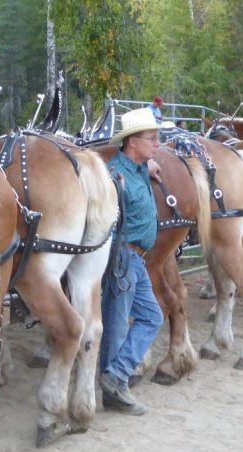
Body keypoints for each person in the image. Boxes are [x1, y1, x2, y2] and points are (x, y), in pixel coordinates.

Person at [100, 107, 165, 415]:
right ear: (133, 141)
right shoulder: (115, 176)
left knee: (152, 317)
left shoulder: (138, 168)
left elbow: (148, 163)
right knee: (116, 323)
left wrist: (150, 165)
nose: (158, 143)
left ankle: (115, 376)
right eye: (152, 138)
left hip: (137, 259)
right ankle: (114, 385)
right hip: (123, 256)